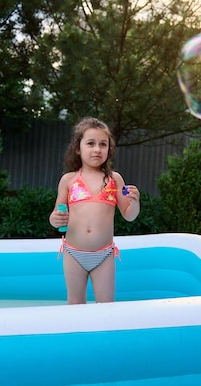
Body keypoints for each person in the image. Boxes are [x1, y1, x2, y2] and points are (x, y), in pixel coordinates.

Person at [49, 117, 140, 304]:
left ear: (109, 149)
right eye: (90, 143)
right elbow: (56, 214)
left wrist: (135, 202)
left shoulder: (115, 180)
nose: (97, 149)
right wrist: (55, 219)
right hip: (73, 253)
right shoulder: (68, 180)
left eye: (103, 144)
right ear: (78, 148)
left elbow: (129, 215)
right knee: (75, 305)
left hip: (104, 255)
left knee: (106, 306)